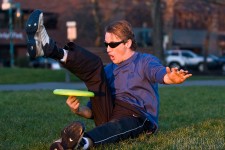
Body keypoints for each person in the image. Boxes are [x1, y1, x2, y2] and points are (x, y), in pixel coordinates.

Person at [25, 10, 192, 150]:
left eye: (112, 45)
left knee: (118, 126)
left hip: (137, 116)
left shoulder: (145, 61)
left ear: (127, 43)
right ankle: (50, 49)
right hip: (109, 113)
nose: (108, 49)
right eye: (106, 44)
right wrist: (79, 110)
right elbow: (93, 112)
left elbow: (158, 73)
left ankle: (77, 144)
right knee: (95, 65)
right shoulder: (108, 70)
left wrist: (170, 78)